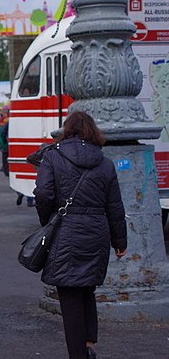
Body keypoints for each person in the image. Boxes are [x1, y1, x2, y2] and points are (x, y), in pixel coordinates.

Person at [33, 111, 127, 359]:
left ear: (68, 130)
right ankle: (88, 343)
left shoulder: (53, 157)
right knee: (87, 287)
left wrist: (49, 221)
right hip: (97, 233)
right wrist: (120, 241)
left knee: (69, 292)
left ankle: (78, 354)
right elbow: (115, 206)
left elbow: (43, 194)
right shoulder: (105, 163)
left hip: (66, 230)